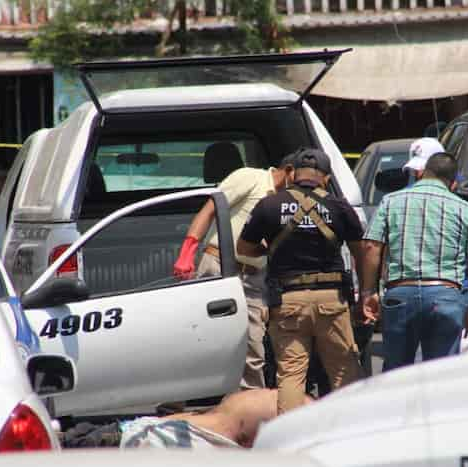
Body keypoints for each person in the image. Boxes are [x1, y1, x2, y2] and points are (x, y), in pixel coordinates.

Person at [237, 148, 364, 415]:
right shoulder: (339, 206)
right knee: (344, 371)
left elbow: (244, 249)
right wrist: (366, 291)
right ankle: (353, 433)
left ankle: (290, 442)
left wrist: (268, 250)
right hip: (332, 299)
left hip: (287, 300)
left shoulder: (269, 205)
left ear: (292, 174)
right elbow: (361, 252)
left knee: (291, 374)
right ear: (326, 178)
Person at [173, 151, 295, 389]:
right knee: (199, 335)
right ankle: (174, 401)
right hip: (218, 266)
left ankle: (251, 408)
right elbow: (210, 208)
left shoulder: (291, 200)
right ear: (289, 170)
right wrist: (186, 252)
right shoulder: (250, 177)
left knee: (253, 346)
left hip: (255, 277)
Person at [361, 152, 468, 369]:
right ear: (453, 182)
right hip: (446, 297)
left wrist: (369, 292)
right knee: (440, 373)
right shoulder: (465, 209)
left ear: (422, 173)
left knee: (397, 374)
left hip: (400, 295)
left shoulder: (390, 201)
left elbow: (371, 246)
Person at [62, 389, 312, 449]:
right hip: (142, 436)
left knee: (60, 447)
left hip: (140, 430)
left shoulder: (274, 396)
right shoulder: (296, 414)